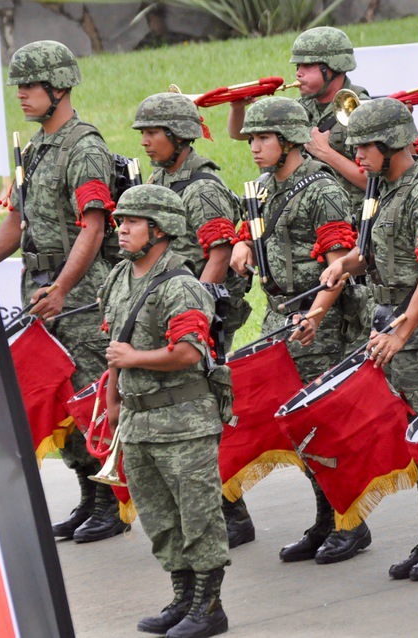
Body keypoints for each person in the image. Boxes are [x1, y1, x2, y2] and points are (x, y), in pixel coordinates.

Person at [317, 97, 418, 582]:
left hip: (416, 324)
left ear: (390, 145)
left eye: (364, 146)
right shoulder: (385, 189)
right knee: (408, 428)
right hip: (391, 313)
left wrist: (402, 331)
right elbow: (372, 252)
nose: (357, 156)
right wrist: (344, 264)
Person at [229, 97, 370, 564]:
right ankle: (327, 519)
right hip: (278, 318)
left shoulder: (321, 190)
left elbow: (339, 266)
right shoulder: (267, 186)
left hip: (317, 323)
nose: (253, 146)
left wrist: (314, 314)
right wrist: (243, 244)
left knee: (324, 428)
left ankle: (352, 522)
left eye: (262, 138)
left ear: (289, 140)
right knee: (298, 430)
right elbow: (252, 228)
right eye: (251, 138)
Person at [0, 40, 128, 543]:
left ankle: (112, 503)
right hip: (44, 293)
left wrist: (61, 288)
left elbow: (93, 228)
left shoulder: (84, 147)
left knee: (89, 398)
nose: (22, 96)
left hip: (79, 296)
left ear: (58, 87)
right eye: (19, 88)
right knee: (59, 401)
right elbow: (15, 225)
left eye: (30, 87)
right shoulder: (33, 149)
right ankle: (88, 496)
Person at [102, 185, 230, 638]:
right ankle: (183, 598)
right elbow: (115, 344)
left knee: (199, 517)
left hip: (183, 421)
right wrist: (113, 400)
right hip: (138, 421)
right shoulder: (120, 278)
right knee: (160, 519)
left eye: (132, 222)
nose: (121, 230)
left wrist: (132, 361)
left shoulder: (181, 285)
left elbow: (189, 352)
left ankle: (209, 607)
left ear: (160, 230)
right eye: (120, 221)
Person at [132, 91, 255, 549]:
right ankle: (223, 509)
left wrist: (197, 312)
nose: (145, 141)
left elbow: (219, 251)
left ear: (179, 136)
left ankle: (231, 512)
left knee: (202, 414)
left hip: (199, 315)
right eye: (142, 133)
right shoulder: (161, 179)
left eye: (153, 133)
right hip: (173, 311)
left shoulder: (201, 187)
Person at [228, 26, 368, 215]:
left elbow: (374, 180)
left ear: (332, 67)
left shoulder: (360, 108)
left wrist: (326, 153)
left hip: (349, 217)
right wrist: (237, 109)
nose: (298, 74)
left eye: (307, 66)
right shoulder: (299, 108)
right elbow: (238, 134)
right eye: (297, 67)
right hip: (300, 212)